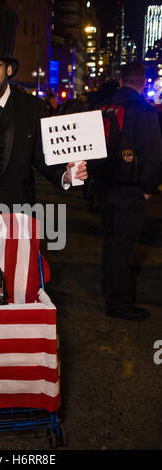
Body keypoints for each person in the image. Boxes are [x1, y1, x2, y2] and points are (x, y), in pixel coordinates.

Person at [0, 4, 87, 223]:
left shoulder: (33, 108)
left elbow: (42, 158)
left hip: (18, 217)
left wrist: (66, 176)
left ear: (8, 69)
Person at [91, 62, 162, 321]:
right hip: (130, 188)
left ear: (121, 80)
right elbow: (154, 155)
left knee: (111, 242)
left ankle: (108, 287)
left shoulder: (104, 106)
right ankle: (119, 302)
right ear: (143, 82)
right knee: (123, 247)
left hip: (107, 185)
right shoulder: (143, 110)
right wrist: (148, 189)